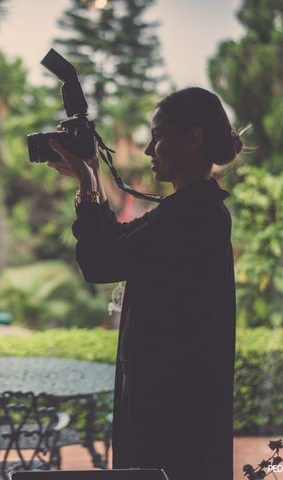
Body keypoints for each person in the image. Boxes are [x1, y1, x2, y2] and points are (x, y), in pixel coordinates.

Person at [47, 87, 239, 480]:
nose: (150, 149)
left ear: (194, 139)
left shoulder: (194, 216)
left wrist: (87, 180)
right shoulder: (188, 209)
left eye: (159, 134)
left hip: (172, 413)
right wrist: (92, 179)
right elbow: (117, 242)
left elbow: (101, 262)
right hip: (172, 403)